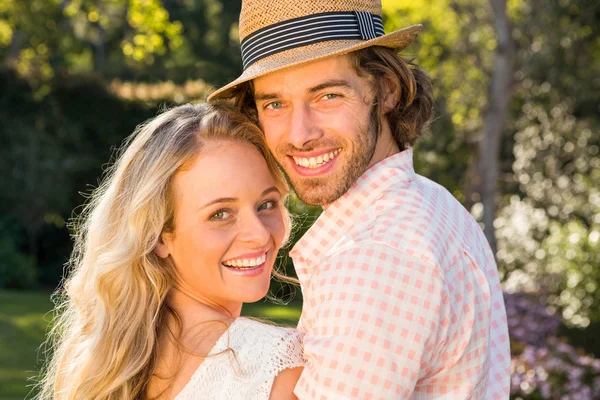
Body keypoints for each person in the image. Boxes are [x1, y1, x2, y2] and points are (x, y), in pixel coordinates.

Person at [209, 0, 511, 398]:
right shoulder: (427, 201)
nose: (299, 134)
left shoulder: (377, 252)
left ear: (386, 89)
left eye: (327, 96)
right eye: (275, 103)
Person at [36, 103, 304, 400]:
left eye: (266, 204)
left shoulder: (98, 365)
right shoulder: (277, 366)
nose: (259, 234)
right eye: (220, 214)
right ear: (160, 236)